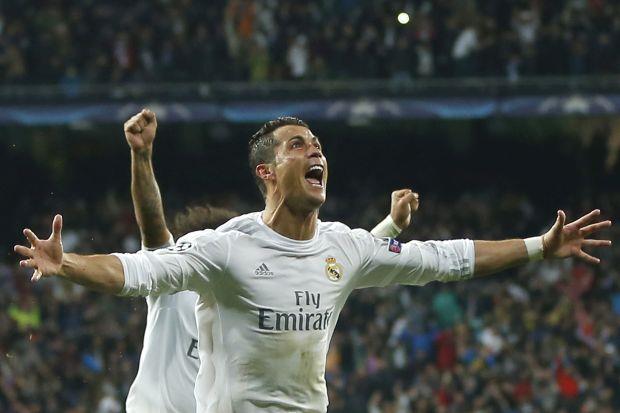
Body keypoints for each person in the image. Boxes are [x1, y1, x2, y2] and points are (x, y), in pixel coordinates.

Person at [15, 116, 612, 413]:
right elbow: (138, 267)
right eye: (297, 145)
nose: (315, 150)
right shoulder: (223, 251)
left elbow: (444, 258)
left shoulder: (343, 247)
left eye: (317, 144)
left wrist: (538, 245)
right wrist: (68, 264)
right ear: (267, 172)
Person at [122, 110, 419, 412]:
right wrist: (141, 157)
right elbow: (153, 229)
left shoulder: (242, 290)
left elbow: (339, 265)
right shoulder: (173, 288)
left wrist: (390, 227)